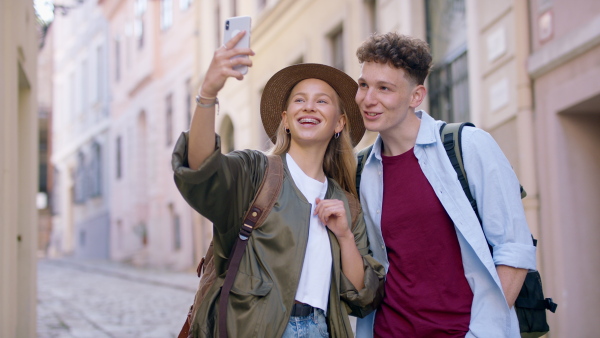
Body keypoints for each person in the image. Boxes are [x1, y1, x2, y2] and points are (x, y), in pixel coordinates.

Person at [172, 31, 385, 338]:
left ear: (339, 123)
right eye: (300, 100)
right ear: (286, 119)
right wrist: (208, 94)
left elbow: (363, 298)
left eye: (321, 101)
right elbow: (201, 170)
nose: (309, 107)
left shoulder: (346, 204)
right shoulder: (255, 172)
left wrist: (345, 236)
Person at [353, 32, 537, 338]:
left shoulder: (468, 146)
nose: (368, 99)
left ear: (416, 96)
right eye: (363, 85)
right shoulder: (362, 169)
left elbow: (513, 251)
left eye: (384, 88)